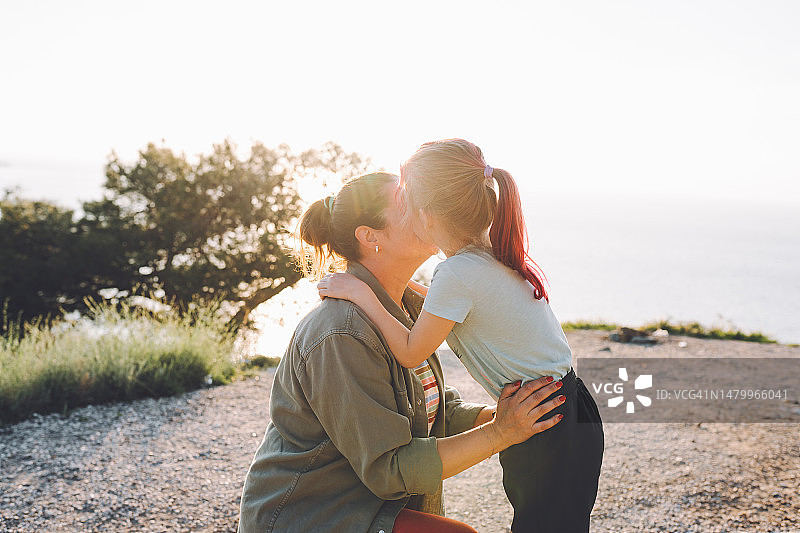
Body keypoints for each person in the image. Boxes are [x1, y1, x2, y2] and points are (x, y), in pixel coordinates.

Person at [238, 171, 565, 533]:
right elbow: (389, 469)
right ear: (370, 237)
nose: (424, 207)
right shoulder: (341, 332)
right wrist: (499, 434)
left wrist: (514, 415)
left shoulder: (407, 306)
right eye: (406, 203)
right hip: (310, 513)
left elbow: (434, 407)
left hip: (365, 503)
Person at [317, 141, 604, 533]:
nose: (404, 207)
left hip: (547, 422)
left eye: (406, 199)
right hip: (569, 409)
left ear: (427, 215)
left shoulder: (454, 275)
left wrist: (361, 293)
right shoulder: (485, 255)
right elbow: (448, 300)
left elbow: (408, 350)